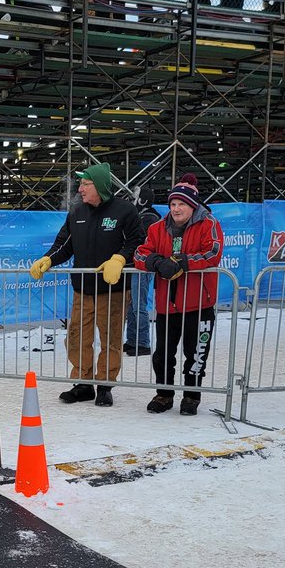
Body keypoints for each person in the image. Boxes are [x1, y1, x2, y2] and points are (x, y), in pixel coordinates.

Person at [28, 163, 143, 407]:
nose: (80, 189)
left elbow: (137, 242)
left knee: (110, 339)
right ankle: (83, 382)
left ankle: (104, 385)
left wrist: (121, 258)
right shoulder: (77, 214)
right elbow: (64, 244)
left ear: (100, 186)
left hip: (114, 290)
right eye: (81, 184)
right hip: (83, 290)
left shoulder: (124, 211)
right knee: (77, 337)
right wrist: (48, 259)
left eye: (85, 184)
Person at [135, 179, 224, 416]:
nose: (175, 209)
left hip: (199, 304)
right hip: (167, 304)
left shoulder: (209, 224)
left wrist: (183, 262)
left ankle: (191, 396)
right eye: (173, 203)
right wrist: (157, 262)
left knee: (195, 353)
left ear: (193, 205)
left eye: (181, 204)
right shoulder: (157, 228)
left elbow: (213, 253)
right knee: (163, 354)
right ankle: (164, 394)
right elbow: (140, 254)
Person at [123, 183, 158, 355]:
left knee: (139, 305)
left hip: (142, 267)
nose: (131, 201)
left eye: (134, 197)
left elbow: (139, 240)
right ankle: (132, 340)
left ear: (142, 200)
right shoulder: (142, 217)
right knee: (132, 305)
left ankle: (143, 342)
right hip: (135, 266)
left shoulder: (149, 219)